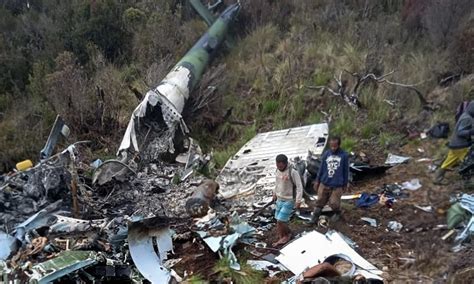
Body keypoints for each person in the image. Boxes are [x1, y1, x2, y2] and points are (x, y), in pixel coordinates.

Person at [310, 136, 349, 224]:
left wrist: (345, 184)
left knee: (334, 203)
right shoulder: (326, 154)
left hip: (337, 184)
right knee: (320, 201)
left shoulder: (344, 156)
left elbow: (346, 170)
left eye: (335, 146)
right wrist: (317, 181)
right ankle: (314, 219)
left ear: (338, 145)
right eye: (331, 146)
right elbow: (321, 168)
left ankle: (338, 213)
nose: (333, 148)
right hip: (324, 182)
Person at [434, 101, 474, 184]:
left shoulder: (465, 115)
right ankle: (467, 182)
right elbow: (460, 132)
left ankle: (437, 179)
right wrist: (471, 132)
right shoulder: (467, 118)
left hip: (455, 144)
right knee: (468, 164)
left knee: (448, 162)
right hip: (461, 146)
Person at [272, 154, 303, 246]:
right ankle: (285, 235)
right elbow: (277, 183)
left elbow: (299, 186)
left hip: (289, 200)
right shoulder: (277, 171)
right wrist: (274, 193)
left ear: (285, 163)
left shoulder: (292, 172)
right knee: (278, 220)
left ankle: (286, 236)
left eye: (281, 165)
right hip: (279, 199)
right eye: (278, 165)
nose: (279, 167)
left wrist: (298, 200)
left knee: (281, 220)